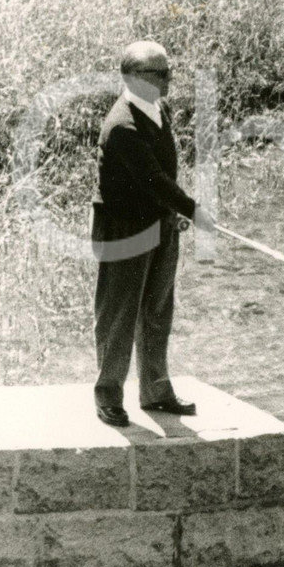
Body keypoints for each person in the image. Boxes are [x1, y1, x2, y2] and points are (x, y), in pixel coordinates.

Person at [91, 40, 209, 426]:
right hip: (125, 232)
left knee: (157, 310)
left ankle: (155, 390)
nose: (169, 80)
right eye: (160, 74)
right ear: (132, 77)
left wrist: (174, 215)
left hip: (160, 226)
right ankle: (108, 395)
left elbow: (162, 176)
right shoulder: (122, 125)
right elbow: (153, 179)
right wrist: (192, 209)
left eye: (169, 71)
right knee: (119, 315)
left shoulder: (159, 108)